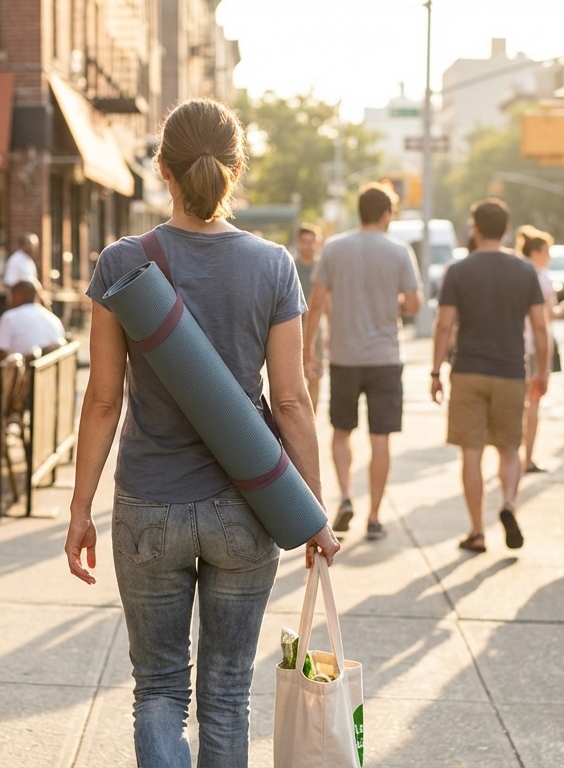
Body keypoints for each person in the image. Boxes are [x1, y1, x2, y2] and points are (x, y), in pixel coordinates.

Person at [64, 98, 339, 767]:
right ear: (236, 166)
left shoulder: (124, 263)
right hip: (247, 504)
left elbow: (103, 401)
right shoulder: (274, 265)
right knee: (225, 692)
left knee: (158, 689)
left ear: (161, 168)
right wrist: (313, 514)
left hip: (149, 503)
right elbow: (294, 401)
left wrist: (80, 510)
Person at [304, 183, 423, 541]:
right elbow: (415, 304)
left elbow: (315, 301)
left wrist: (308, 350)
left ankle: (345, 498)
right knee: (380, 437)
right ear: (387, 213)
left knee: (341, 432)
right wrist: (396, 306)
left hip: (343, 356)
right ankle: (374, 516)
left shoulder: (335, 249)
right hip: (385, 358)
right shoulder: (400, 251)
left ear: (360, 211)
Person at [432, 198, 548, 553]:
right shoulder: (525, 270)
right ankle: (509, 504)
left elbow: (444, 325)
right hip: (512, 371)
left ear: (475, 229)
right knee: (510, 448)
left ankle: (477, 530)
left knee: (472, 452)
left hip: (468, 370)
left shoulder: (458, 270)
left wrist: (436, 370)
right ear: (508, 230)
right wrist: (543, 370)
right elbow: (541, 328)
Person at [516, 226, 558, 474]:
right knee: (533, 405)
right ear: (537, 251)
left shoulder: (515, 273)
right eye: (547, 251)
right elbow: (546, 318)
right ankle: (527, 458)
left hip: (516, 345)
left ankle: (514, 455)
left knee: (518, 405)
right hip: (535, 348)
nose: (549, 256)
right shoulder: (541, 277)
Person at [0, 277, 67, 359]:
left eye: (11, 295)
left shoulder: (9, 318)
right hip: (48, 368)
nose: (9, 299)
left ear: (18, 295)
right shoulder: (53, 318)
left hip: (24, 370)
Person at [293, 223, 327, 412]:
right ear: (299, 243)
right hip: (291, 330)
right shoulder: (291, 266)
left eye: (313, 241)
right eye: (305, 241)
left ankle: (313, 417)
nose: (309, 246)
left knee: (315, 375)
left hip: (316, 332)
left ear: (319, 243)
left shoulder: (322, 268)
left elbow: (328, 303)